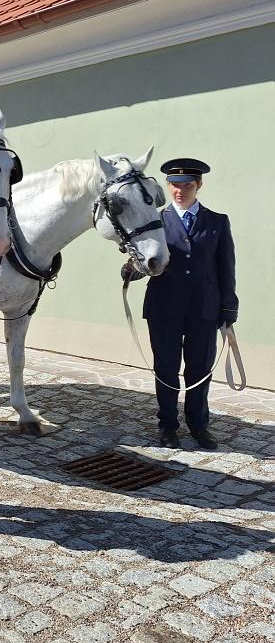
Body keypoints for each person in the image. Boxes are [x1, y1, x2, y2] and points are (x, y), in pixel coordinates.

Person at [139, 159, 237, 451]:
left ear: (199, 185)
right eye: (175, 185)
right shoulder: (154, 220)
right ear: (168, 186)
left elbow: (226, 268)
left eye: (187, 185)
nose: (180, 191)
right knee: (166, 369)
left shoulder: (217, 221)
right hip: (164, 308)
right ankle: (168, 426)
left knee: (200, 370)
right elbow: (144, 258)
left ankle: (198, 425)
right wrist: (131, 269)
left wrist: (228, 309)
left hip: (204, 309)